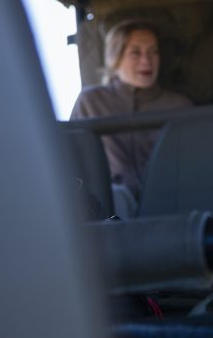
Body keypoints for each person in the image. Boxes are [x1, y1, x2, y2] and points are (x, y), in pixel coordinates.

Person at [70, 19, 192, 202]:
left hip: (170, 201)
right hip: (111, 209)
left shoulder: (179, 106)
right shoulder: (90, 102)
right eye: (136, 52)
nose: (146, 60)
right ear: (115, 58)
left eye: (154, 52)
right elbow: (71, 163)